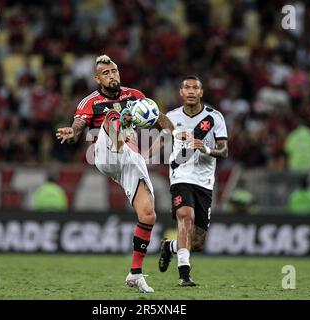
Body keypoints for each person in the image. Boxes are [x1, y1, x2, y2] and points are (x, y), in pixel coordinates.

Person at [55, 55, 177, 293]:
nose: (112, 75)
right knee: (113, 115)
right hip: (105, 152)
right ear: (97, 78)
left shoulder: (135, 95)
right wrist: (73, 131)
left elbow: (164, 123)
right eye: (106, 73)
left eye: (114, 71)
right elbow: (79, 124)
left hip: (129, 157)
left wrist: (168, 127)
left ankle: (135, 273)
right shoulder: (89, 102)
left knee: (148, 214)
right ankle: (123, 140)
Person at [152, 76, 228, 286]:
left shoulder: (215, 117)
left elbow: (224, 151)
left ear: (201, 93)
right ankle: (184, 275)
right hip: (180, 175)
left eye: (196, 88)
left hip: (204, 180)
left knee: (198, 241)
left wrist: (206, 149)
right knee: (186, 217)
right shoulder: (172, 116)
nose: (192, 91)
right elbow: (162, 140)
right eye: (187, 88)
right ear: (181, 93)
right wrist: (143, 156)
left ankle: (170, 248)